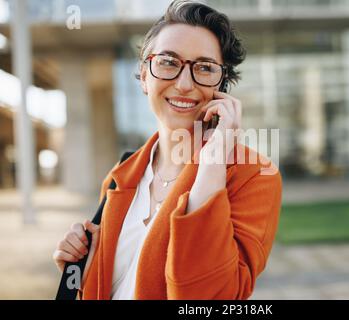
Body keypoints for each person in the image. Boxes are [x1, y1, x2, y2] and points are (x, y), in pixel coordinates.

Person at [52, 0, 282, 300]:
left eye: (204, 67)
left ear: (221, 84)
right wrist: (84, 270)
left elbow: (208, 298)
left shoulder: (253, 177)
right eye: (169, 62)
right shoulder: (120, 175)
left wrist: (213, 160)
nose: (185, 84)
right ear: (145, 75)